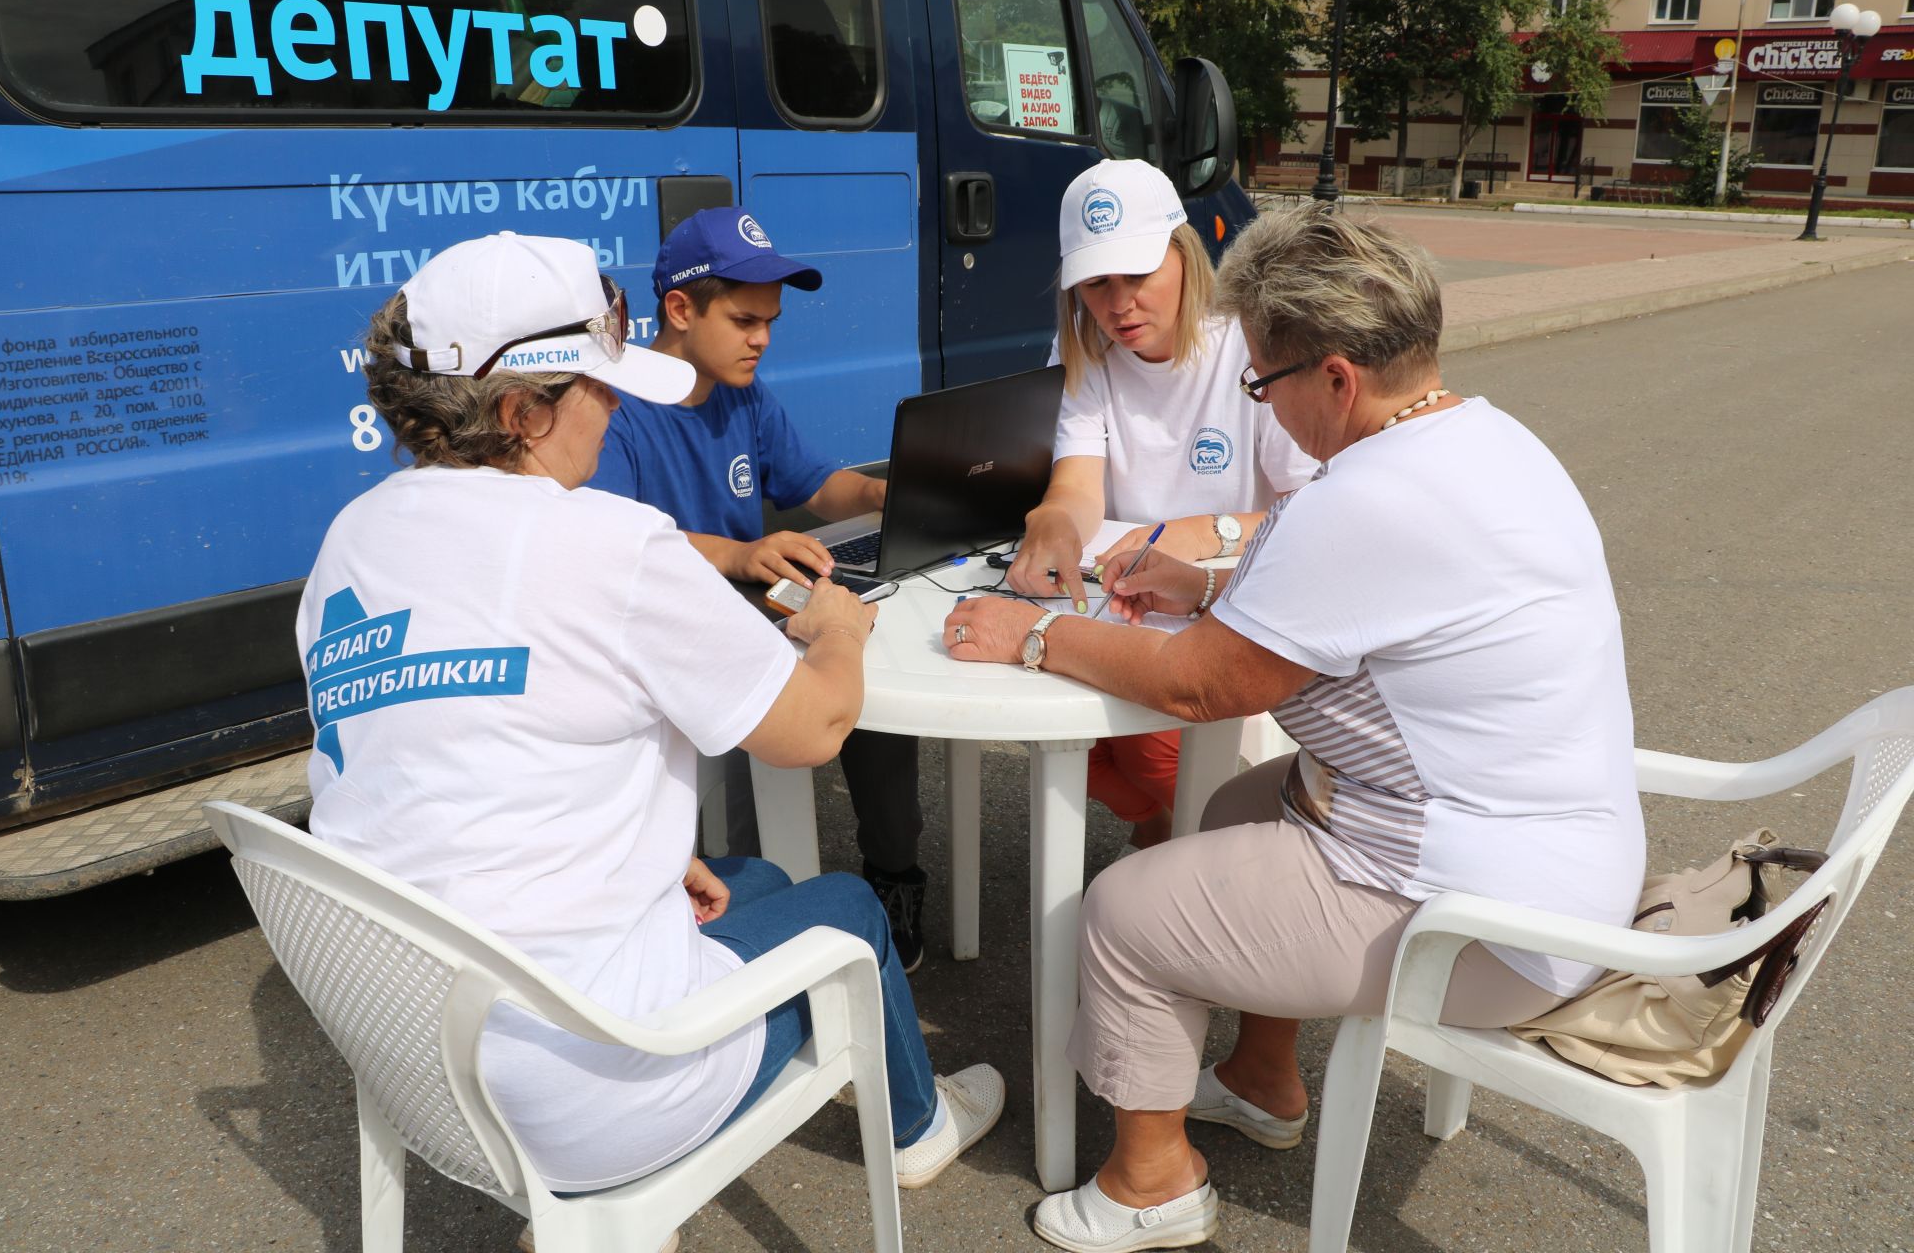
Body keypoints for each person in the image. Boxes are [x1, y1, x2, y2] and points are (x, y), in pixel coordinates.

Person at [943, 206, 1645, 1251]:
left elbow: (1195, 685)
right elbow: (1357, 600)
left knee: (1126, 909)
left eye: (1264, 383)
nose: (1261, 400)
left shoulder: (1368, 494)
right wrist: (1209, 577)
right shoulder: (1483, 437)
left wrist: (1032, 633)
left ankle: (1153, 1181)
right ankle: (1263, 1078)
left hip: (1492, 920)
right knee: (1234, 803)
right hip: (1553, 850)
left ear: (1336, 378)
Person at [297, 233, 1003, 1242]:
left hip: (415, 1050)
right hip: (588, 1086)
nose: (616, 406)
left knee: (749, 881)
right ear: (520, 412)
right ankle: (923, 1127)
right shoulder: (610, 543)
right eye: (596, 384)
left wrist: (653, 855)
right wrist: (839, 632)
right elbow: (814, 727)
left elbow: (454, 760)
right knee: (847, 907)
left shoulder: (351, 540)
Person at [588, 207, 934, 970]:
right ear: (679, 309)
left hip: (757, 611)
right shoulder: (614, 414)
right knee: (766, 768)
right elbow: (611, 542)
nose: (763, 340)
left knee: (872, 678)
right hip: (680, 638)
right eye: (745, 320)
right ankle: (759, 924)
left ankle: (893, 869)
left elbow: (816, 484)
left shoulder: (743, 395)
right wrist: (742, 553)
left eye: (770, 322)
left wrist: (890, 495)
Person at [1009, 160, 1317, 849]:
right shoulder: (1083, 345)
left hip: (1225, 602)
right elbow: (1077, 485)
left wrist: (1200, 530)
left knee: (1143, 746)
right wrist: (1053, 525)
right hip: (1124, 599)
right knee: (1054, 728)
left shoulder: (1250, 343)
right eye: (1096, 283)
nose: (1119, 305)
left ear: (1183, 255)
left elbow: (1314, 513)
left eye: (1137, 275)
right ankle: (1164, 828)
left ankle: (1204, 851)